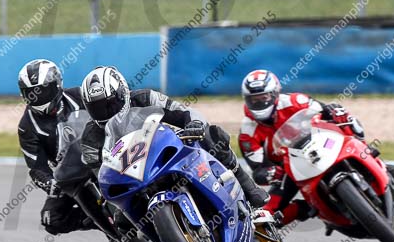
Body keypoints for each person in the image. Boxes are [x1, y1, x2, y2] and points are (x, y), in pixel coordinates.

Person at [79, 66, 269, 211]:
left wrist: (194, 124)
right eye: (97, 108)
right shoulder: (90, 138)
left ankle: (247, 185)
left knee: (213, 135)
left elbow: (184, 112)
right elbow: (101, 175)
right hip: (130, 176)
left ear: (123, 93)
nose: (105, 113)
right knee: (121, 220)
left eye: (109, 104)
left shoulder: (146, 98)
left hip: (165, 149)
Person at [238, 69, 394, 227]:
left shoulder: (294, 101)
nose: (259, 102)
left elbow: (326, 111)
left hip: (318, 143)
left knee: (346, 121)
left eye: (263, 97)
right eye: (254, 99)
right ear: (246, 99)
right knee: (267, 213)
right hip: (290, 169)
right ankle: (305, 209)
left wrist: (336, 112)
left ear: (274, 94)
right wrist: (271, 173)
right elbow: (258, 171)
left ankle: (377, 162)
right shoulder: (247, 132)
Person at [17, 59, 93, 236]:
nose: (37, 97)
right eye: (30, 93)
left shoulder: (80, 96)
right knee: (51, 219)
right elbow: (37, 168)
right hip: (69, 174)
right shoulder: (27, 125)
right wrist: (50, 184)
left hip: (103, 157)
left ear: (57, 85)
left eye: (42, 90)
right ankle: (100, 221)